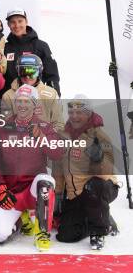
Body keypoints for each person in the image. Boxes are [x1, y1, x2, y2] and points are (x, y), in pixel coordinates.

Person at [0, 85, 65, 251]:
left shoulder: (44, 126)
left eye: (27, 101)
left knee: (46, 181)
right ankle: (21, 219)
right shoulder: (3, 126)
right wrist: (1, 185)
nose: (22, 105)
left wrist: (42, 138)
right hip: (12, 192)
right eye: (19, 101)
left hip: (33, 189)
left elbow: (57, 154)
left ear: (34, 104)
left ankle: (42, 232)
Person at [55, 97, 119, 250]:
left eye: (79, 112)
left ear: (89, 113)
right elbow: (57, 165)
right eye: (71, 112)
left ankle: (98, 231)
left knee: (93, 185)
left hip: (101, 187)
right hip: (75, 193)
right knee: (66, 235)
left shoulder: (100, 135)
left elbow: (108, 170)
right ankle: (99, 217)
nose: (74, 116)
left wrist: (98, 159)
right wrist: (57, 192)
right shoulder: (64, 135)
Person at [1, 8, 60, 96]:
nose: (17, 25)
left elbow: (52, 75)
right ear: (8, 25)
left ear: (26, 22)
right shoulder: (5, 48)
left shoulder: (41, 46)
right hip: (12, 99)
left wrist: (55, 96)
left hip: (36, 99)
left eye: (20, 21)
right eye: (13, 22)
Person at [1, 54, 64, 131]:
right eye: (23, 72)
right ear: (18, 72)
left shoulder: (51, 94)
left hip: (44, 139)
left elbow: (59, 124)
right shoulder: (8, 95)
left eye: (32, 72)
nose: (27, 77)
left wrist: (47, 138)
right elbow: (7, 125)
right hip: (19, 139)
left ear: (39, 72)